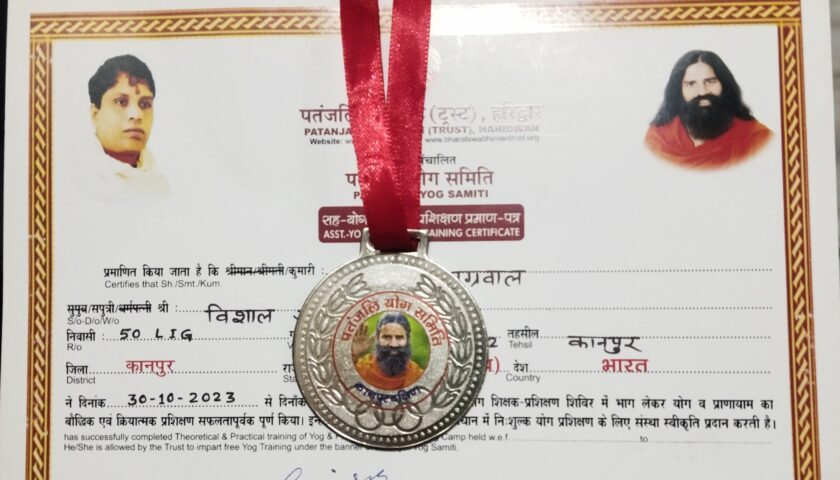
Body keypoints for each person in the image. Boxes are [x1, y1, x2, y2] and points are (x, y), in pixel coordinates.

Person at [644, 50, 771, 169]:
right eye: (691, 84)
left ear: (725, 85)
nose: (702, 91)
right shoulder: (658, 139)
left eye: (710, 81)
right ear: (678, 91)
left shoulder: (755, 137)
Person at [86, 54, 168, 198]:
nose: (137, 115)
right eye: (121, 102)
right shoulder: (78, 179)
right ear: (95, 115)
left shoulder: (161, 187)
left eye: (145, 104)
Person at [352, 312, 424, 390]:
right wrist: (354, 355)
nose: (393, 344)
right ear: (378, 339)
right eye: (387, 337)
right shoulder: (363, 368)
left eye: (399, 337)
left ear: (407, 339)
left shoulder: (417, 375)